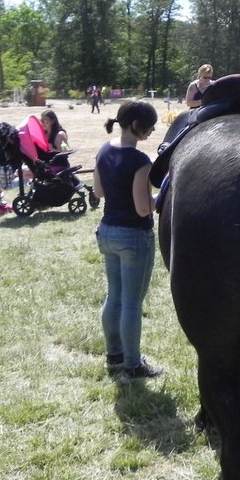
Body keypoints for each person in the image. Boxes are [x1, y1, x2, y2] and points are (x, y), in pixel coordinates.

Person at [92, 100, 162, 381]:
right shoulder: (141, 162)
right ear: (136, 126)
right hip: (134, 236)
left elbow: (98, 190)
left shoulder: (103, 149)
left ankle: (114, 356)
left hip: (107, 232)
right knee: (132, 303)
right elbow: (144, 208)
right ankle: (133, 365)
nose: (153, 130)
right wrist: (163, 195)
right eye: (150, 126)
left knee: (115, 297)